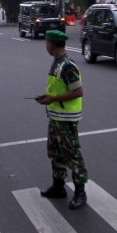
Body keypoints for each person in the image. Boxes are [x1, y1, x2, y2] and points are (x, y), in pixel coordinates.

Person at [36, 30, 88, 210]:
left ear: (52, 44)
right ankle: (58, 186)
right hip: (56, 117)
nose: (46, 46)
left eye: (47, 43)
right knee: (55, 152)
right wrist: (47, 97)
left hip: (67, 119)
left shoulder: (68, 65)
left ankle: (80, 192)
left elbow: (78, 91)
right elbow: (57, 88)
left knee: (72, 155)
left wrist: (54, 99)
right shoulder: (57, 63)